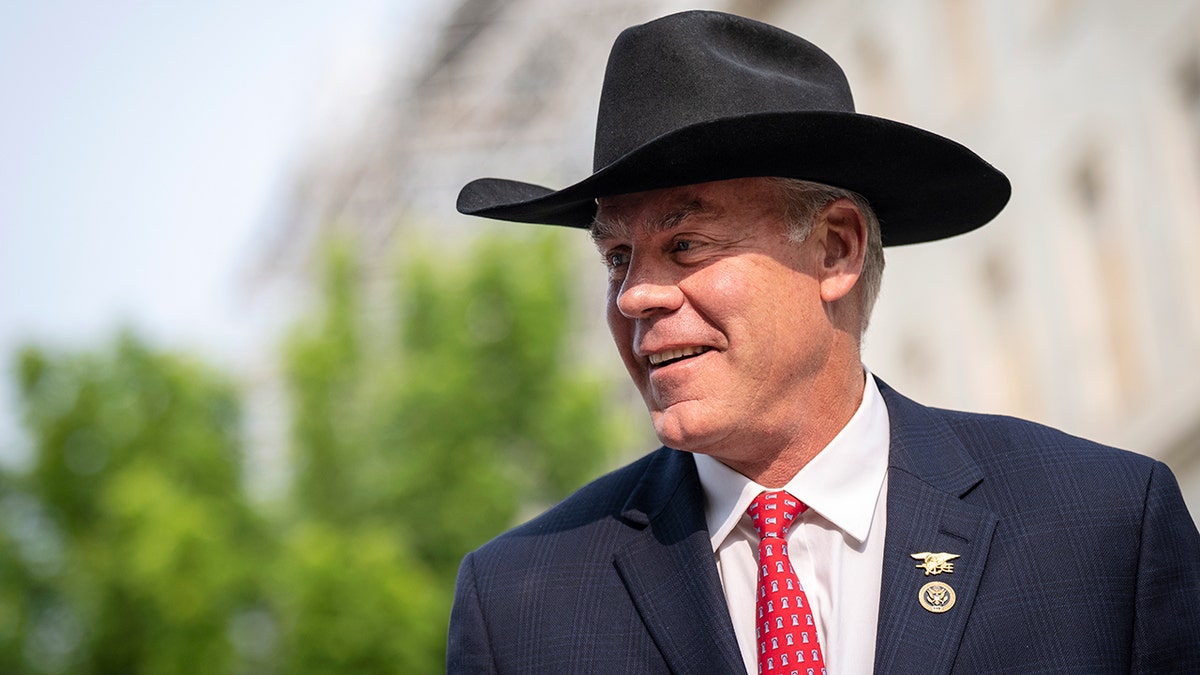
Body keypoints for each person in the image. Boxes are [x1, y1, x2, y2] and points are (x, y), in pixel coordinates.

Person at [448, 10, 1200, 674]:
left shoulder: (1101, 531)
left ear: (836, 249)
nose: (636, 294)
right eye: (618, 258)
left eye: (685, 244)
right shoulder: (521, 605)